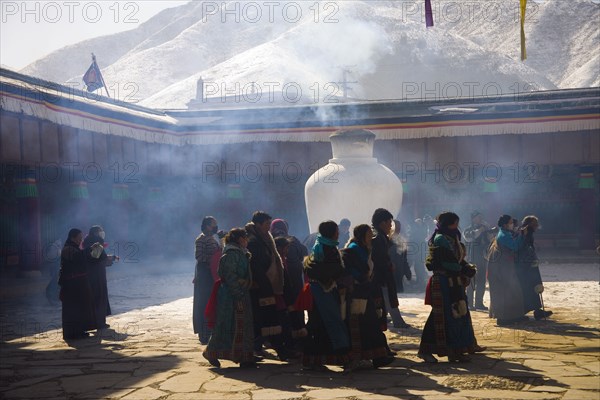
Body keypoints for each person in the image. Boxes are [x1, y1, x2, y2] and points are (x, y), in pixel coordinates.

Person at [417, 212, 478, 363]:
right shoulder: (440, 239)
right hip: (444, 281)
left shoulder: (452, 238)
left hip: (454, 280)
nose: (456, 226)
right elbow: (448, 261)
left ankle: (456, 350)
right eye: (454, 223)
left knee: (457, 313)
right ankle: (427, 350)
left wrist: (466, 267)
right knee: (442, 315)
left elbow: (457, 259)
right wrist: (463, 270)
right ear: (448, 224)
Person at [341, 224, 395, 370]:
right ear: (362, 235)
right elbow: (349, 269)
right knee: (363, 325)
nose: (371, 235)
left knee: (371, 324)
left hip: (366, 290)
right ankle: (367, 357)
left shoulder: (366, 249)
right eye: (369, 233)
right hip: (357, 293)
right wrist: (361, 278)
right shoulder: (353, 249)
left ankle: (378, 356)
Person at [203, 228, 257, 368]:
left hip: (242, 293)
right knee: (226, 325)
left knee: (244, 325)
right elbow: (229, 275)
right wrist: (237, 292)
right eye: (245, 238)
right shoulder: (232, 254)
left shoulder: (242, 253)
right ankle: (211, 352)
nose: (247, 241)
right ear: (240, 239)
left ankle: (244, 357)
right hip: (231, 296)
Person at [302, 220, 350, 371]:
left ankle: (313, 359)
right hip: (324, 290)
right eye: (336, 231)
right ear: (331, 233)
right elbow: (327, 270)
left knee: (319, 323)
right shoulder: (326, 248)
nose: (338, 234)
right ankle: (344, 357)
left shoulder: (321, 246)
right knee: (333, 321)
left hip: (321, 289)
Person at [245, 211, 288, 360]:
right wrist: (265, 285)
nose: (269, 227)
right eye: (266, 224)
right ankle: (278, 350)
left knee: (264, 319)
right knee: (265, 318)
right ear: (257, 224)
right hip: (259, 285)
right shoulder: (252, 241)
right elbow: (256, 266)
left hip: (267, 283)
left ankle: (257, 348)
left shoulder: (264, 238)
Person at [270, 219, 308, 345]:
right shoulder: (293, 240)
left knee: (284, 309)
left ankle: (288, 338)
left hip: (281, 282)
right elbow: (304, 252)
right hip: (295, 280)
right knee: (297, 307)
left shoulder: (270, 240)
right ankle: (299, 335)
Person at [371, 209, 409, 329]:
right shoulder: (378, 238)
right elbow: (379, 259)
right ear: (382, 223)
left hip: (383, 274)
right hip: (381, 275)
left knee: (387, 298)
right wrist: (389, 265)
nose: (390, 226)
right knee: (387, 298)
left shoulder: (381, 236)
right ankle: (397, 321)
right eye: (389, 223)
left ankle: (395, 320)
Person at [487, 215, 528, 325]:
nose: (512, 224)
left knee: (513, 291)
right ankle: (503, 318)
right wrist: (521, 235)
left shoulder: (506, 233)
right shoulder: (504, 235)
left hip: (506, 266)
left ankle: (513, 315)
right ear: (505, 225)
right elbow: (514, 246)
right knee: (506, 292)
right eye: (510, 222)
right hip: (502, 267)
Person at [58, 229, 98, 340]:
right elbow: (78, 258)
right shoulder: (67, 249)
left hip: (80, 283)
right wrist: (90, 248)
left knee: (81, 308)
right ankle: (72, 333)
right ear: (72, 237)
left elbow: (83, 258)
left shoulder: (75, 248)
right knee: (72, 309)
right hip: (71, 285)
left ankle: (80, 330)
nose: (81, 239)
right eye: (79, 237)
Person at [516, 216, 552, 320]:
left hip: (524, 264)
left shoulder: (522, 231)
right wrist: (533, 259)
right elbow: (526, 247)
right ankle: (534, 310)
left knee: (530, 286)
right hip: (527, 264)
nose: (537, 225)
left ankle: (536, 310)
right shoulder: (527, 232)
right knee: (532, 286)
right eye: (535, 223)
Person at [193, 216, 221, 344]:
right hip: (204, 273)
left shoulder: (212, 239)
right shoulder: (201, 239)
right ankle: (204, 333)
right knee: (203, 303)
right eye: (213, 225)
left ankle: (211, 331)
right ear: (207, 226)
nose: (215, 227)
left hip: (212, 273)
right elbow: (199, 256)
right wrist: (212, 258)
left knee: (212, 302)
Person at [83, 225, 118, 330]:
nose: (102, 233)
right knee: (99, 297)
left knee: (94, 298)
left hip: (92, 274)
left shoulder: (88, 242)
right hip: (97, 275)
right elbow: (96, 259)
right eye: (100, 231)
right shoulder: (97, 242)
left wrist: (110, 258)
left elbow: (96, 257)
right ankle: (99, 323)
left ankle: (95, 322)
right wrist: (108, 259)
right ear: (95, 233)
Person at [463, 211, 492, 311]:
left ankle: (479, 303)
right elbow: (469, 238)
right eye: (478, 217)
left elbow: (490, 240)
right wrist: (480, 230)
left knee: (481, 282)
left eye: (481, 217)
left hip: (483, 258)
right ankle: (470, 304)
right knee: (471, 282)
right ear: (473, 219)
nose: (480, 219)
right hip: (471, 259)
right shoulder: (468, 229)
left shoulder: (485, 228)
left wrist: (488, 231)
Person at [389, 220, 411, 294]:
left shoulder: (401, 240)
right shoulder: (386, 240)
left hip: (399, 273)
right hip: (390, 273)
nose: (398, 229)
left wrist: (407, 271)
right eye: (396, 227)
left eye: (399, 227)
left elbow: (404, 258)